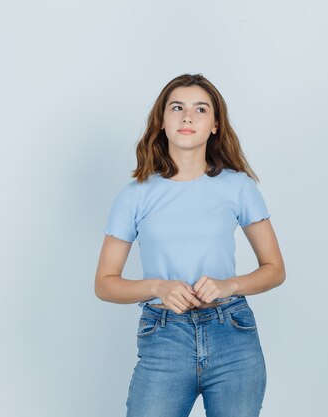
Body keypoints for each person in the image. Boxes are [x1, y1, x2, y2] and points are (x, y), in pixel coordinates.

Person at [94, 73, 286, 417]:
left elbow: (274, 269)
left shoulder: (238, 187)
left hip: (232, 335)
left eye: (200, 109)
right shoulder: (135, 195)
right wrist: (156, 287)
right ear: (162, 121)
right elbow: (105, 283)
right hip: (164, 335)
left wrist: (229, 284)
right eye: (177, 107)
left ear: (215, 125)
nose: (187, 117)